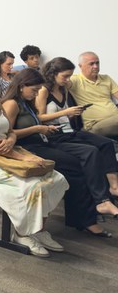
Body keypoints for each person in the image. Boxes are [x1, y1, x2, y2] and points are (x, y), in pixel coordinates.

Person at [0, 63, 69, 254]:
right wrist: (23, 158)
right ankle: (22, 233)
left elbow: (9, 132)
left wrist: (11, 138)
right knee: (33, 185)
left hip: (3, 153)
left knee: (54, 179)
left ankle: (38, 229)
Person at [2, 68, 116, 240]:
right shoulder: (11, 104)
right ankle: (89, 215)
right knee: (76, 164)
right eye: (33, 90)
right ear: (21, 86)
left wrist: (45, 128)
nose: (35, 94)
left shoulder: (26, 102)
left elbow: (35, 122)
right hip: (28, 148)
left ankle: (96, 208)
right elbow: (7, 135)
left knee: (88, 155)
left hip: (42, 141)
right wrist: (37, 128)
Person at [37, 57, 118, 217]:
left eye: (69, 76)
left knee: (105, 144)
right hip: (55, 137)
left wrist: (73, 113)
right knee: (91, 152)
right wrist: (66, 112)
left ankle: (114, 187)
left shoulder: (63, 89)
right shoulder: (43, 90)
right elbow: (39, 117)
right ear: (54, 74)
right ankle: (102, 201)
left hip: (69, 132)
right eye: (65, 76)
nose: (68, 80)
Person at [67, 51, 118, 138]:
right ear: (80, 66)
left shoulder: (106, 78)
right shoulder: (75, 80)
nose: (96, 66)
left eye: (97, 63)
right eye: (91, 64)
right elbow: (59, 83)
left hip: (114, 119)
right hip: (95, 125)